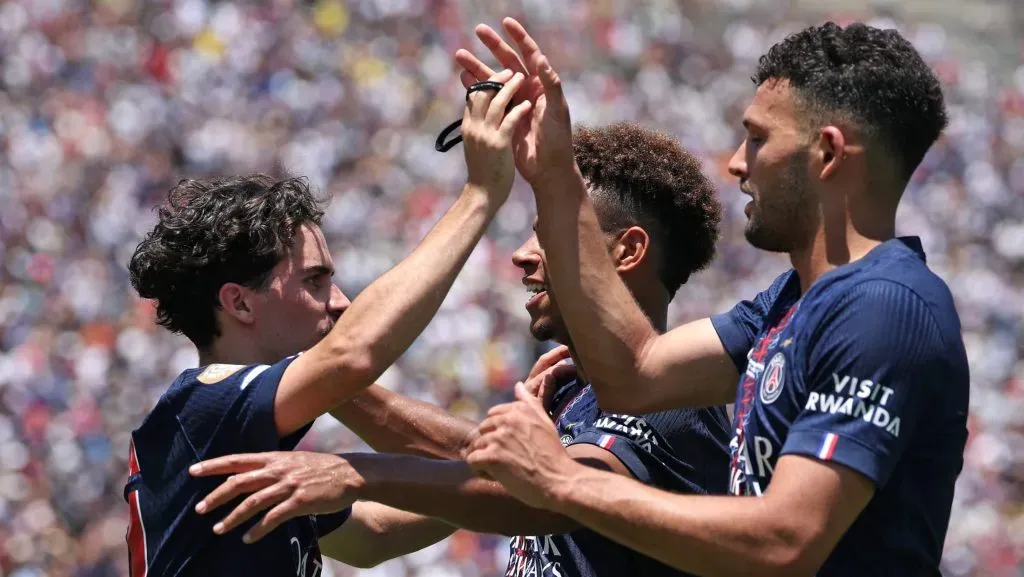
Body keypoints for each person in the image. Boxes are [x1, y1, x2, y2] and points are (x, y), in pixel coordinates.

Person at [458, 18, 969, 577]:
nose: (736, 163)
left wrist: (561, 480)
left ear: (827, 153)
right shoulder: (791, 301)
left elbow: (785, 541)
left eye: (757, 138)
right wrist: (556, 175)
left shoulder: (885, 306)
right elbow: (633, 374)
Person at [187, 122, 733, 577]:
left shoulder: (676, 398)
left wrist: (355, 470)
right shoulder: (570, 394)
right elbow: (446, 491)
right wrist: (301, 371)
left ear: (627, 252)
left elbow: (544, 495)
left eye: (552, 234)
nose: (521, 256)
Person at [121, 69, 534, 576]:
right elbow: (355, 355)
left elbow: (377, 535)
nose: (340, 303)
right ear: (240, 304)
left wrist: (523, 445)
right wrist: (480, 193)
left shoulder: (241, 441)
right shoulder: (207, 401)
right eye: (315, 280)